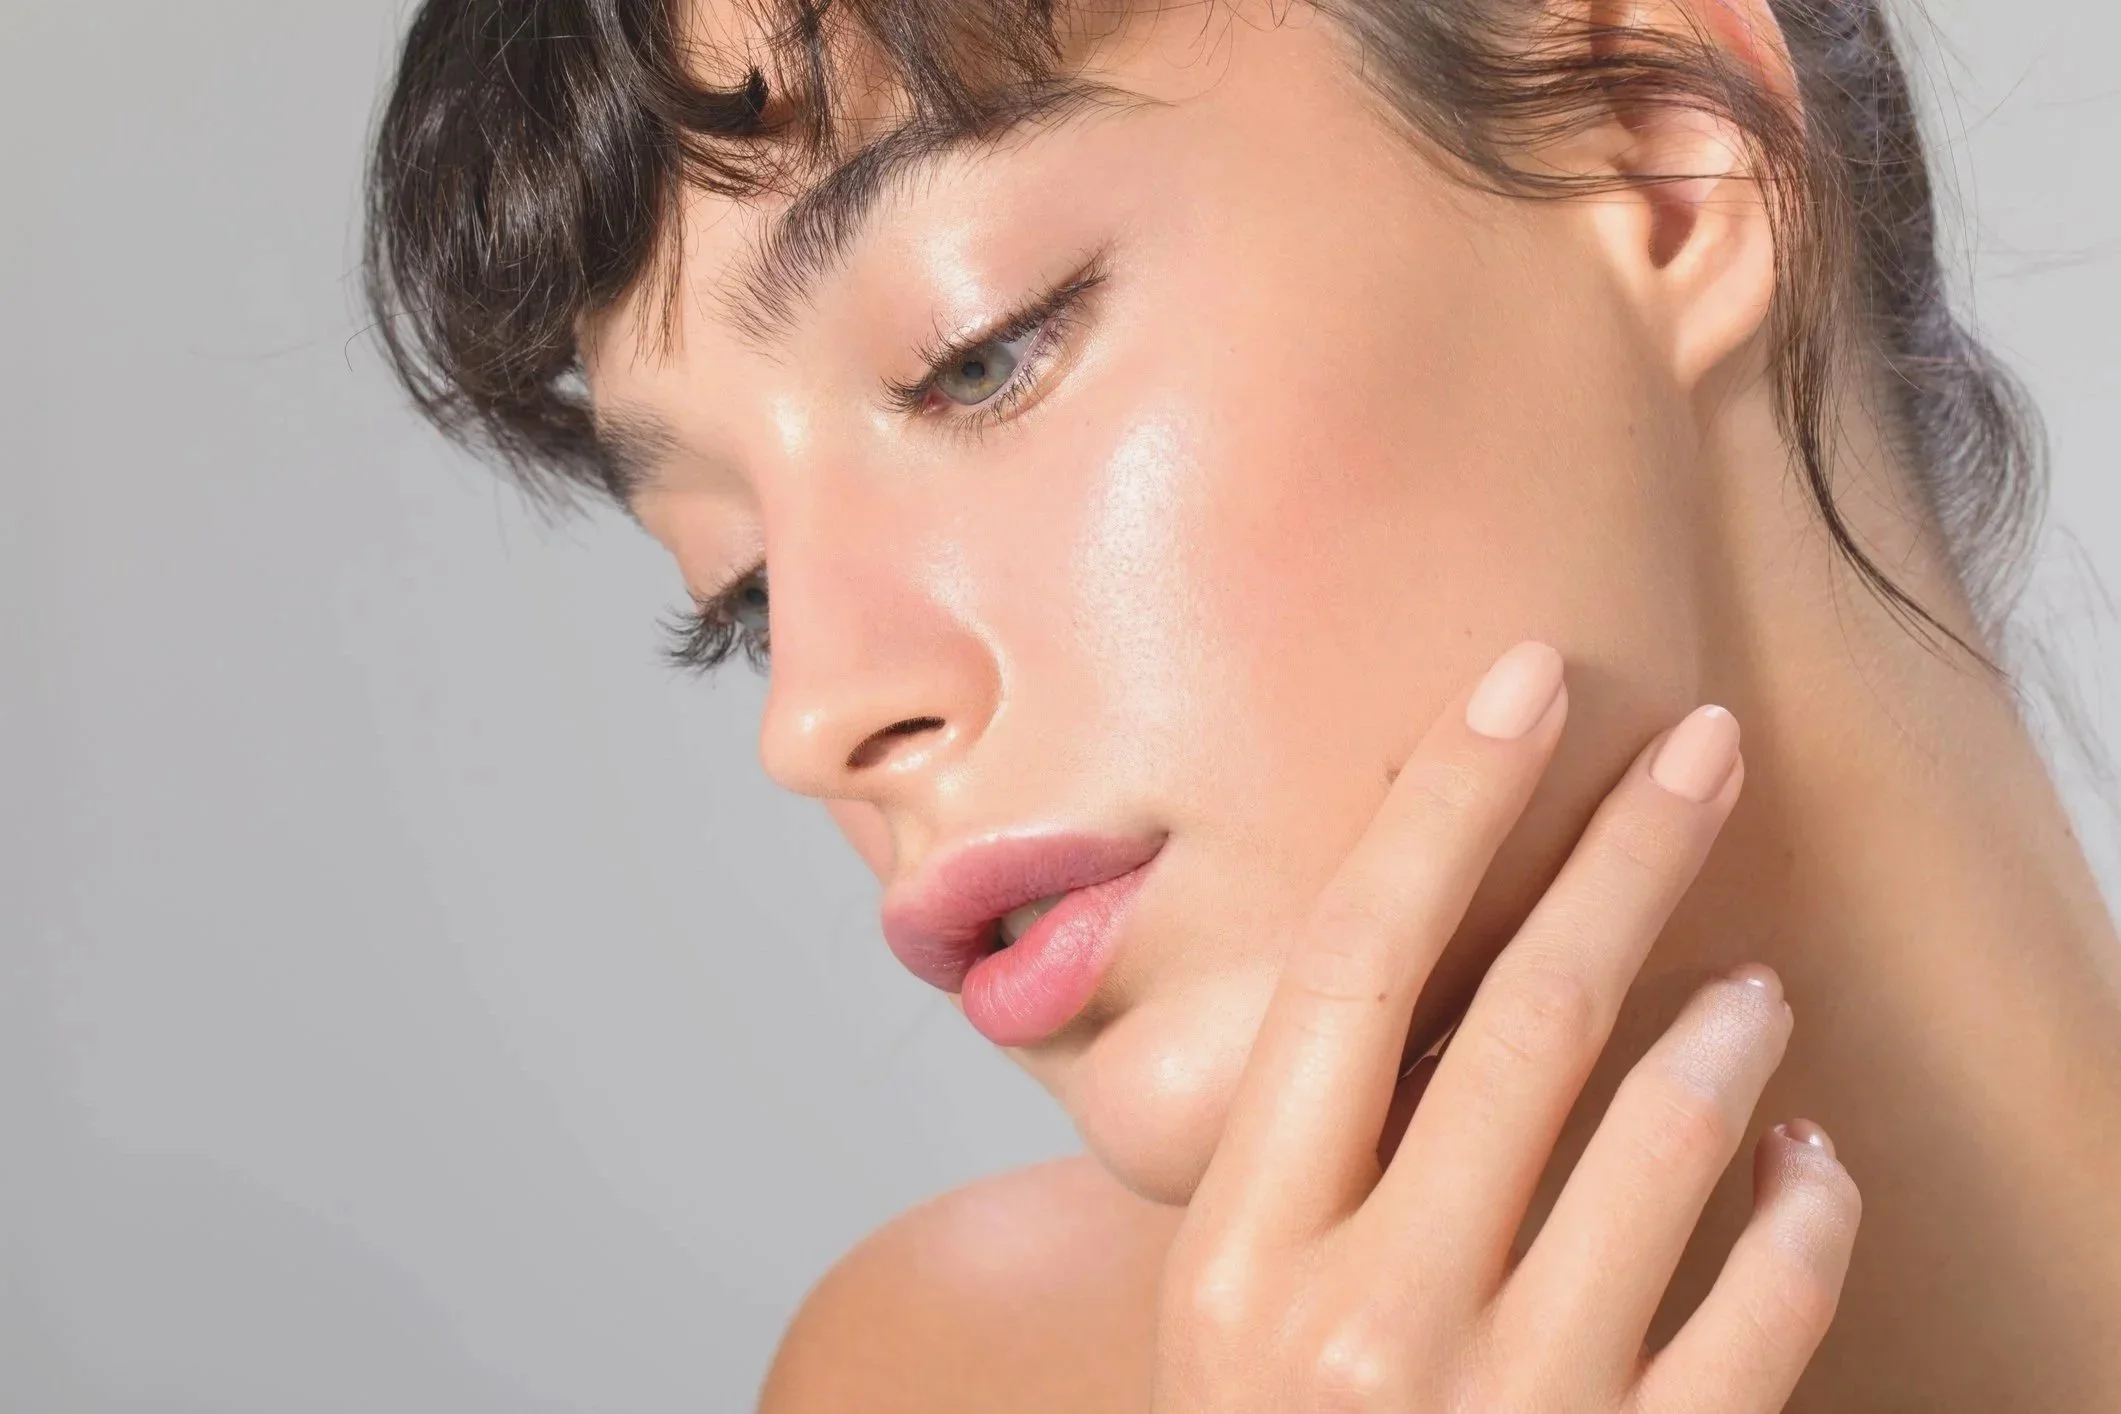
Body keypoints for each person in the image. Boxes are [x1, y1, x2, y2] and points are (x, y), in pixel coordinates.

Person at [361, 0, 2121, 1407]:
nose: (814, 711)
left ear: (1665, 151)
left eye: (978, 351)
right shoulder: (933, 1377)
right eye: (738, 590)